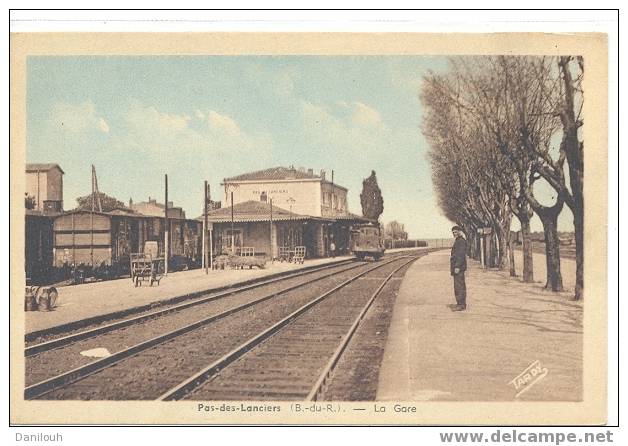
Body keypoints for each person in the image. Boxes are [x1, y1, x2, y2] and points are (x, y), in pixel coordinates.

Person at [450, 225, 467, 311]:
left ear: (460, 232)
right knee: (459, 285)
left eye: (456, 232)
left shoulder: (461, 241)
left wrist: (457, 266)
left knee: (459, 286)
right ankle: (461, 304)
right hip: (458, 268)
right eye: (453, 232)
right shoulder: (459, 241)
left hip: (458, 268)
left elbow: (460, 255)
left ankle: (460, 304)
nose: (454, 234)